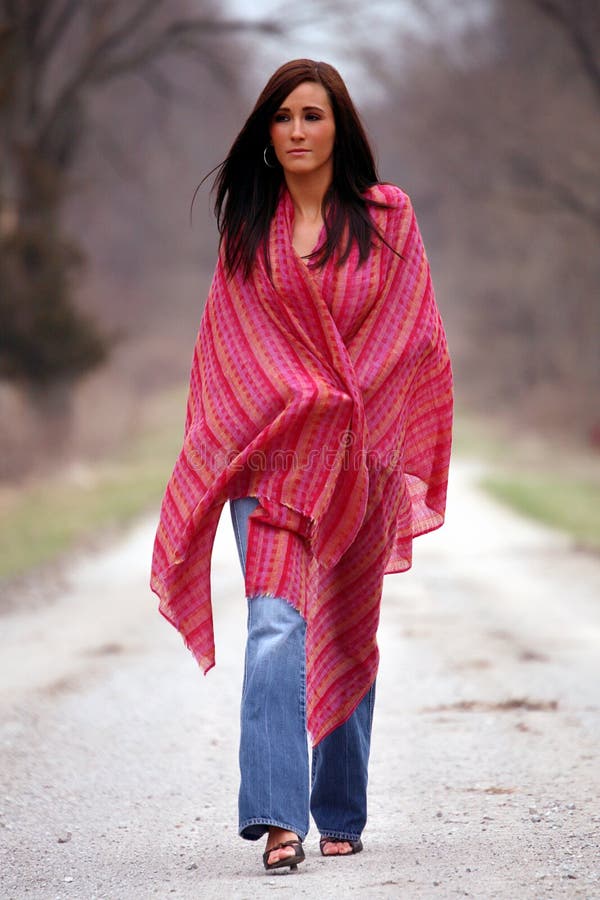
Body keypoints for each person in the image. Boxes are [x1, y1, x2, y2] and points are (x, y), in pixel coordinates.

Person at [150, 58, 453, 873]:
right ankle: (279, 819)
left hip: (357, 460)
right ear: (265, 132)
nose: (296, 131)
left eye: (312, 116)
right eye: (283, 117)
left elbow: (412, 336)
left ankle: (341, 808)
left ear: (338, 126)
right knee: (277, 628)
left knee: (348, 628)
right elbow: (229, 352)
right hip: (271, 463)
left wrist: (352, 416)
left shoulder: (388, 218)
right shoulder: (250, 229)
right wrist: (279, 410)